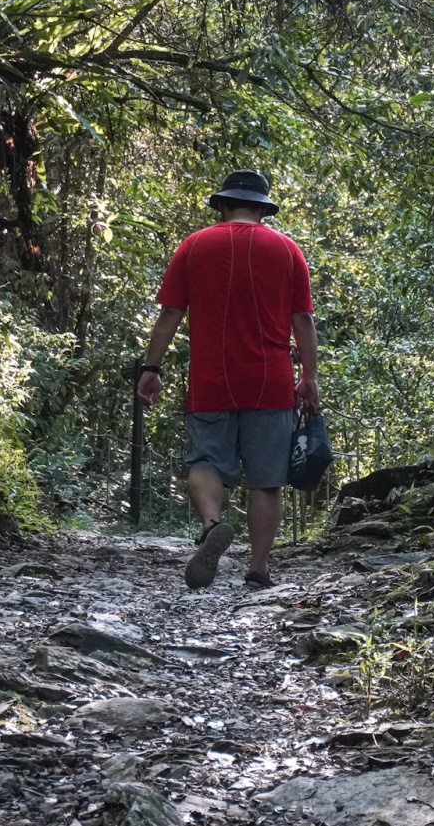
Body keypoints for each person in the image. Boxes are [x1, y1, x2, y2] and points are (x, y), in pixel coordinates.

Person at [137, 170, 320, 590]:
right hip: (271, 383)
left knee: (203, 463)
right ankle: (258, 567)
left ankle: (212, 525)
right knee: (267, 479)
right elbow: (303, 320)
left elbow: (170, 314)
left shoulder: (194, 246)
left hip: (211, 379)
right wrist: (309, 376)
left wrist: (152, 368)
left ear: (222, 205)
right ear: (262, 208)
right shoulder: (287, 250)